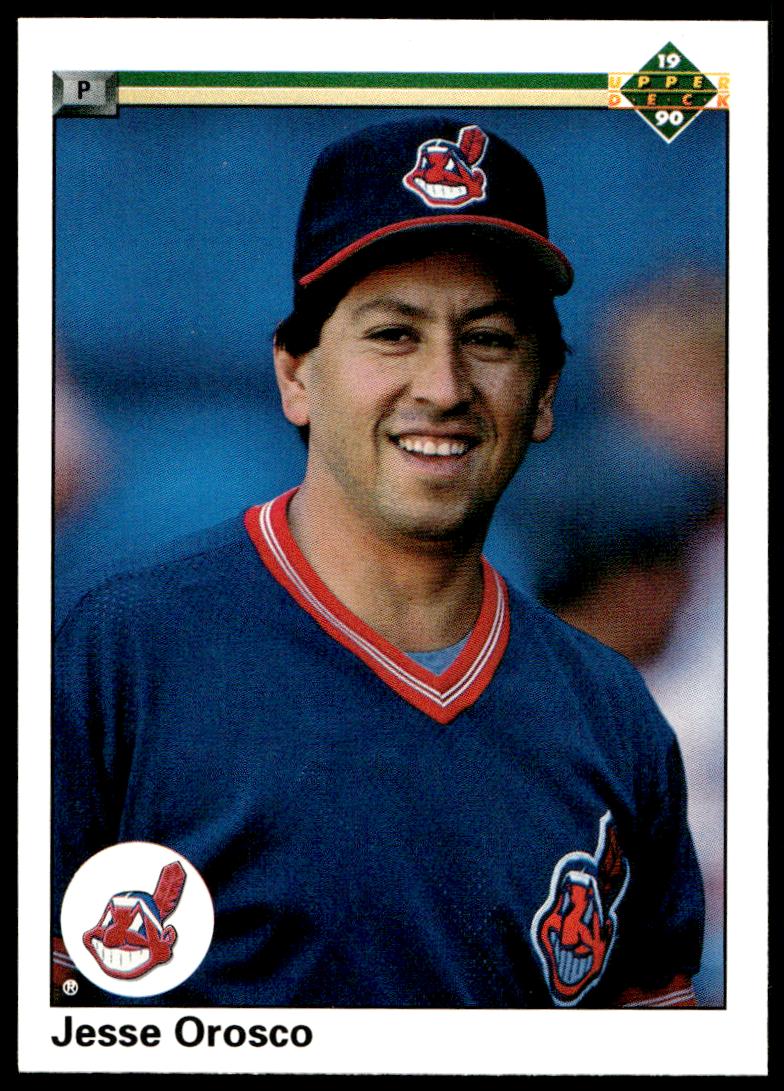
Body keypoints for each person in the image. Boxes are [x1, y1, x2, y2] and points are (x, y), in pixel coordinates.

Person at [53, 117, 704, 1009]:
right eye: (394, 334)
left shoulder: (613, 714)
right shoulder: (124, 654)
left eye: (489, 339)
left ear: (546, 392)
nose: (443, 386)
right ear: (296, 375)